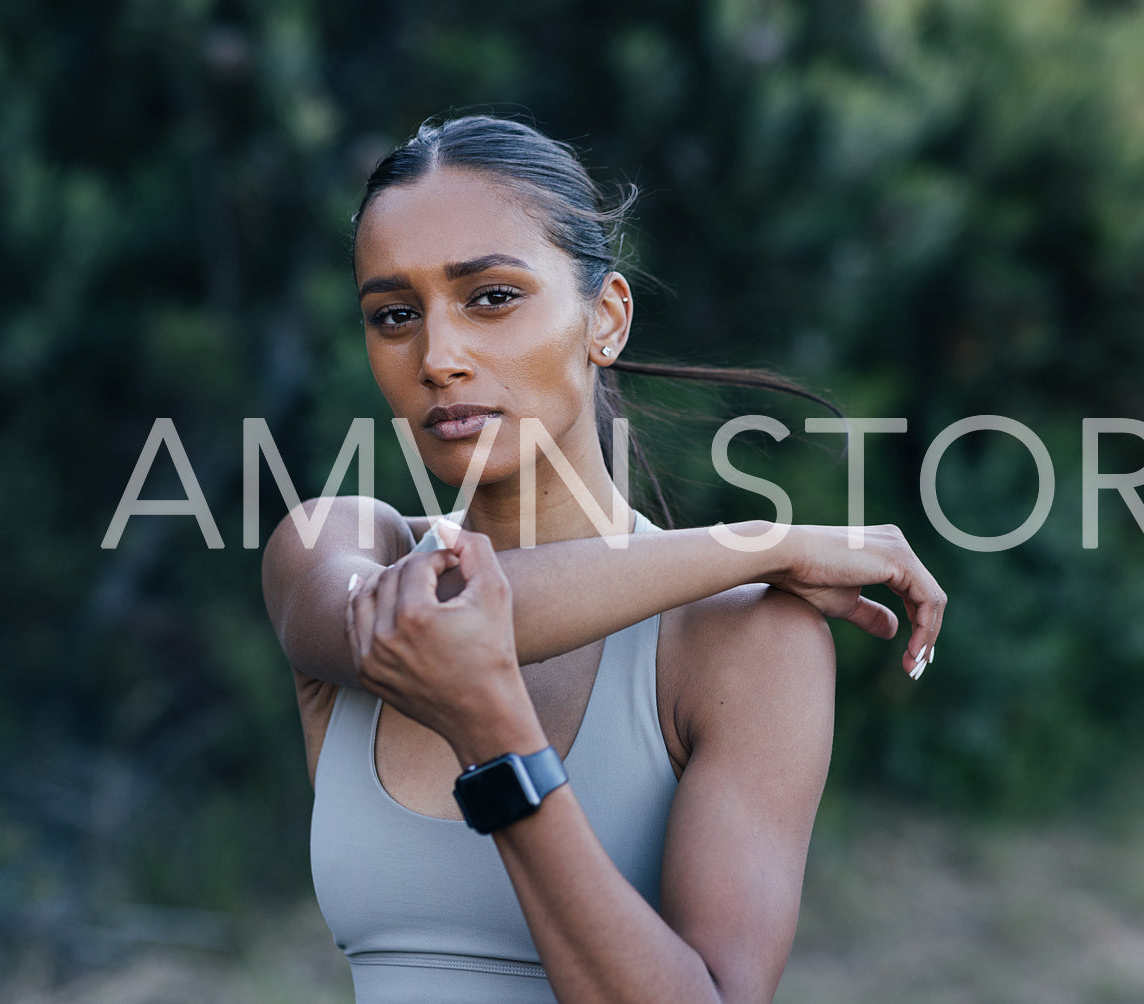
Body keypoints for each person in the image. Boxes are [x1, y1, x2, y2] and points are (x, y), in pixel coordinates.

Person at [261, 114, 946, 1003]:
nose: (438, 358)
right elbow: (427, 614)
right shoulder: (336, 545)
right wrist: (767, 540)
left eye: (491, 297)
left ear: (606, 318)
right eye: (395, 316)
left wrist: (500, 749)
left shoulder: (743, 641)